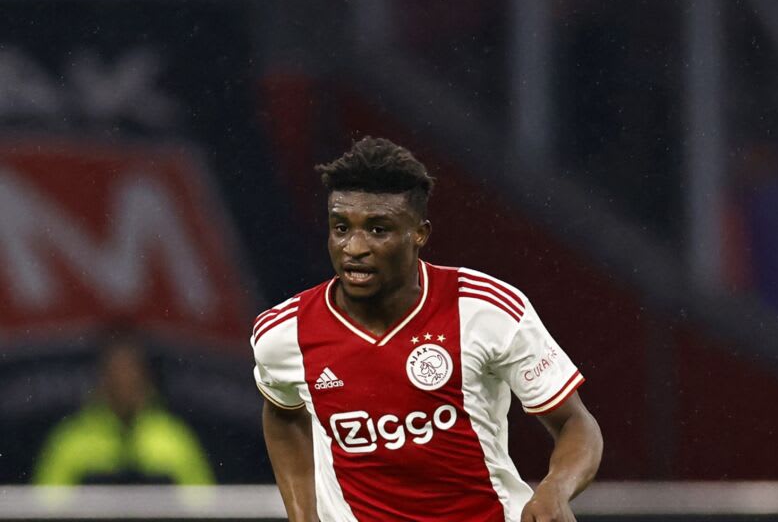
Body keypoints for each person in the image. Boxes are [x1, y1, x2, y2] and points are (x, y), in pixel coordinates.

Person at [252, 137, 602, 521]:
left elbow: (575, 422)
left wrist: (555, 489)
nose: (354, 247)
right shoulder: (284, 333)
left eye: (378, 229)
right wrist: (303, 516)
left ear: (420, 233)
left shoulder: (485, 309)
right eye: (341, 228)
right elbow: (282, 413)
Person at [33, 332, 214, 486]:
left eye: (131, 377)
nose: (124, 386)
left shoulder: (174, 439)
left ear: (145, 380)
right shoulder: (71, 441)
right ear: (102, 382)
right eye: (116, 378)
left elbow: (203, 506)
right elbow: (45, 507)